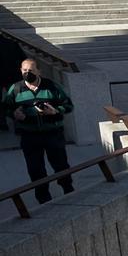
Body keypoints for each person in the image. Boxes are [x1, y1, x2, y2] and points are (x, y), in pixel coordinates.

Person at [1, 60, 74, 203]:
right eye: (24, 70)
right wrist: (14, 114)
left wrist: (55, 111)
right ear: (20, 70)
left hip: (53, 133)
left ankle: (68, 190)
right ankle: (43, 199)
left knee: (61, 166)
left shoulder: (51, 87)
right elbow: (5, 108)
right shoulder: (15, 89)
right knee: (35, 169)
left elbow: (69, 106)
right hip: (30, 136)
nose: (27, 73)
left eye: (31, 70)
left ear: (39, 71)